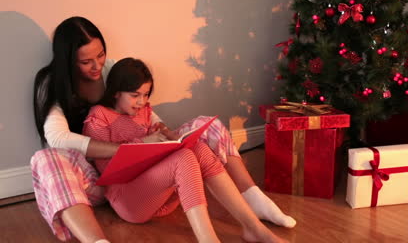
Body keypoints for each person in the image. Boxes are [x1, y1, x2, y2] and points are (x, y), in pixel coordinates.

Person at [31, 16, 295, 243]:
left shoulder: (112, 71)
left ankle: (254, 214)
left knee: (202, 134)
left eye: (100, 55)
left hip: (145, 173)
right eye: (86, 61)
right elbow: (57, 138)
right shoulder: (55, 84)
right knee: (46, 158)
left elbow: (144, 109)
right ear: (68, 62)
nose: (97, 65)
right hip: (97, 175)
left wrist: (167, 135)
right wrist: (132, 148)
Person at [82, 57, 287, 242]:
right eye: (135, 95)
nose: (142, 102)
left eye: (145, 95)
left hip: (160, 198)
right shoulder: (99, 116)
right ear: (116, 91)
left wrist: (170, 139)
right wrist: (145, 142)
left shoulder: (144, 112)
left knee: (196, 147)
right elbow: (110, 171)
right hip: (128, 200)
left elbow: (158, 145)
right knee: (183, 158)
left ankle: (254, 228)